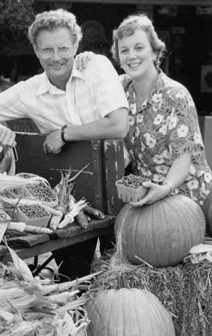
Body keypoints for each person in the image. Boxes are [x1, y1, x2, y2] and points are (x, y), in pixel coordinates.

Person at [0, 9, 129, 279]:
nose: (56, 57)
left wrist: (64, 134)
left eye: (63, 48)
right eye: (47, 50)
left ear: (75, 45)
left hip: (116, 189)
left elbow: (118, 125)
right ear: (35, 50)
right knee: (74, 273)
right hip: (71, 200)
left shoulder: (95, 66)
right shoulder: (30, 91)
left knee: (117, 275)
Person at [78, 13, 212, 207]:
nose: (131, 56)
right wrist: (89, 60)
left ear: (155, 52)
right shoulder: (120, 88)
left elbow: (183, 162)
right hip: (145, 197)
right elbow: (89, 87)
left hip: (187, 197)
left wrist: (165, 188)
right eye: (124, 50)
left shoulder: (176, 95)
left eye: (139, 47)